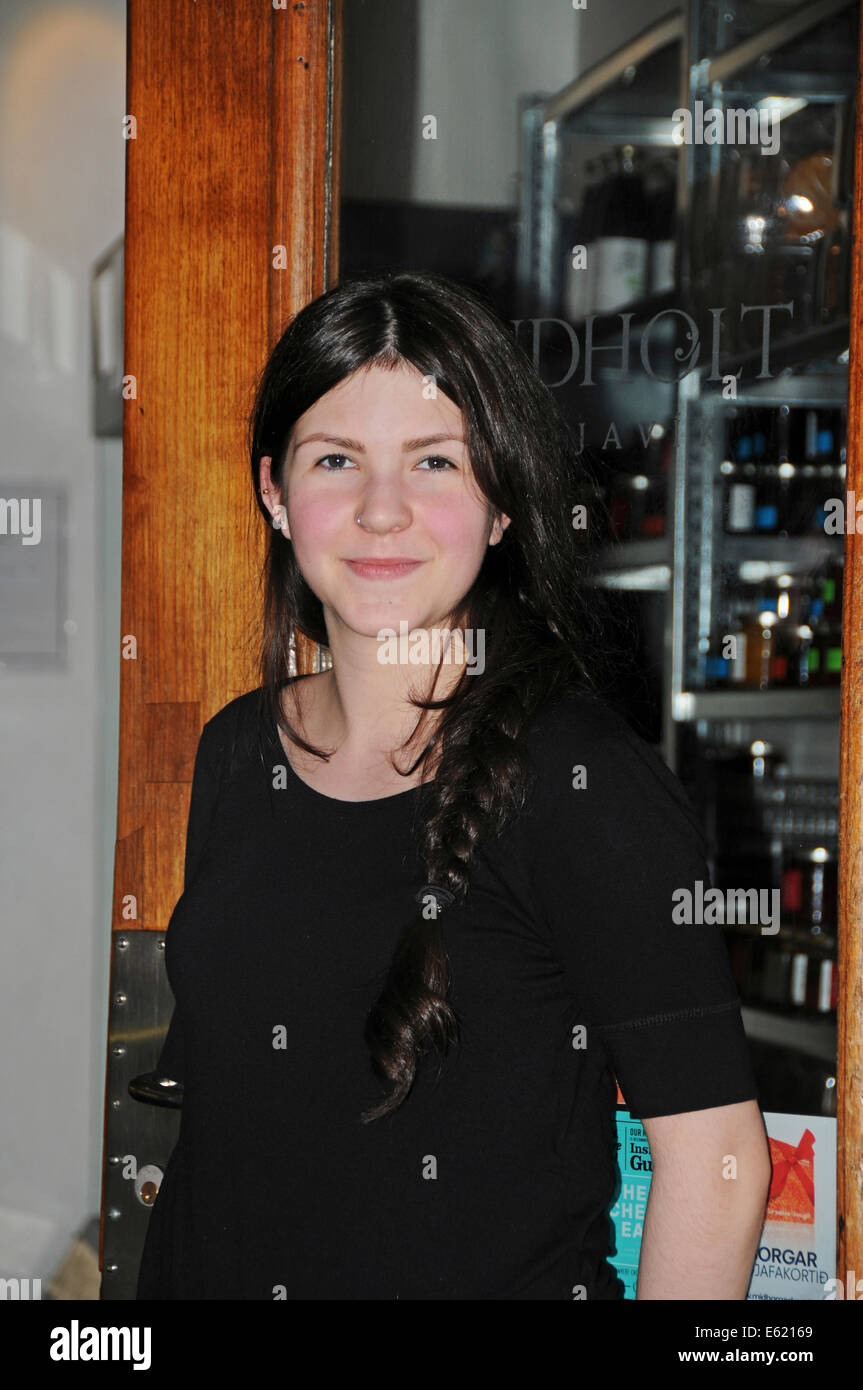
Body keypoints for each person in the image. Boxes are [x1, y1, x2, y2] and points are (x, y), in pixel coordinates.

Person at [136, 269, 771, 1301]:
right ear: (274, 492)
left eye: (433, 462)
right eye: (335, 459)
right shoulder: (236, 751)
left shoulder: (582, 786)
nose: (381, 511)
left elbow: (717, 1170)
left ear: (504, 505)